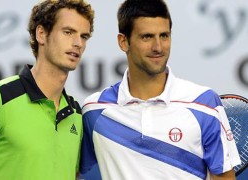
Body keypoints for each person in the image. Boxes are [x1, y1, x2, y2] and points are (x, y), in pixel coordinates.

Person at [79, 0, 241, 179]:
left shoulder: (204, 103)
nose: (158, 47)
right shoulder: (94, 110)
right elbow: (71, 171)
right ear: (123, 42)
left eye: (164, 36)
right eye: (147, 37)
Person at [0, 0, 94, 179]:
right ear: (41, 34)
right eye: (68, 32)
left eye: (84, 36)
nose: (78, 43)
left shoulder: (76, 113)